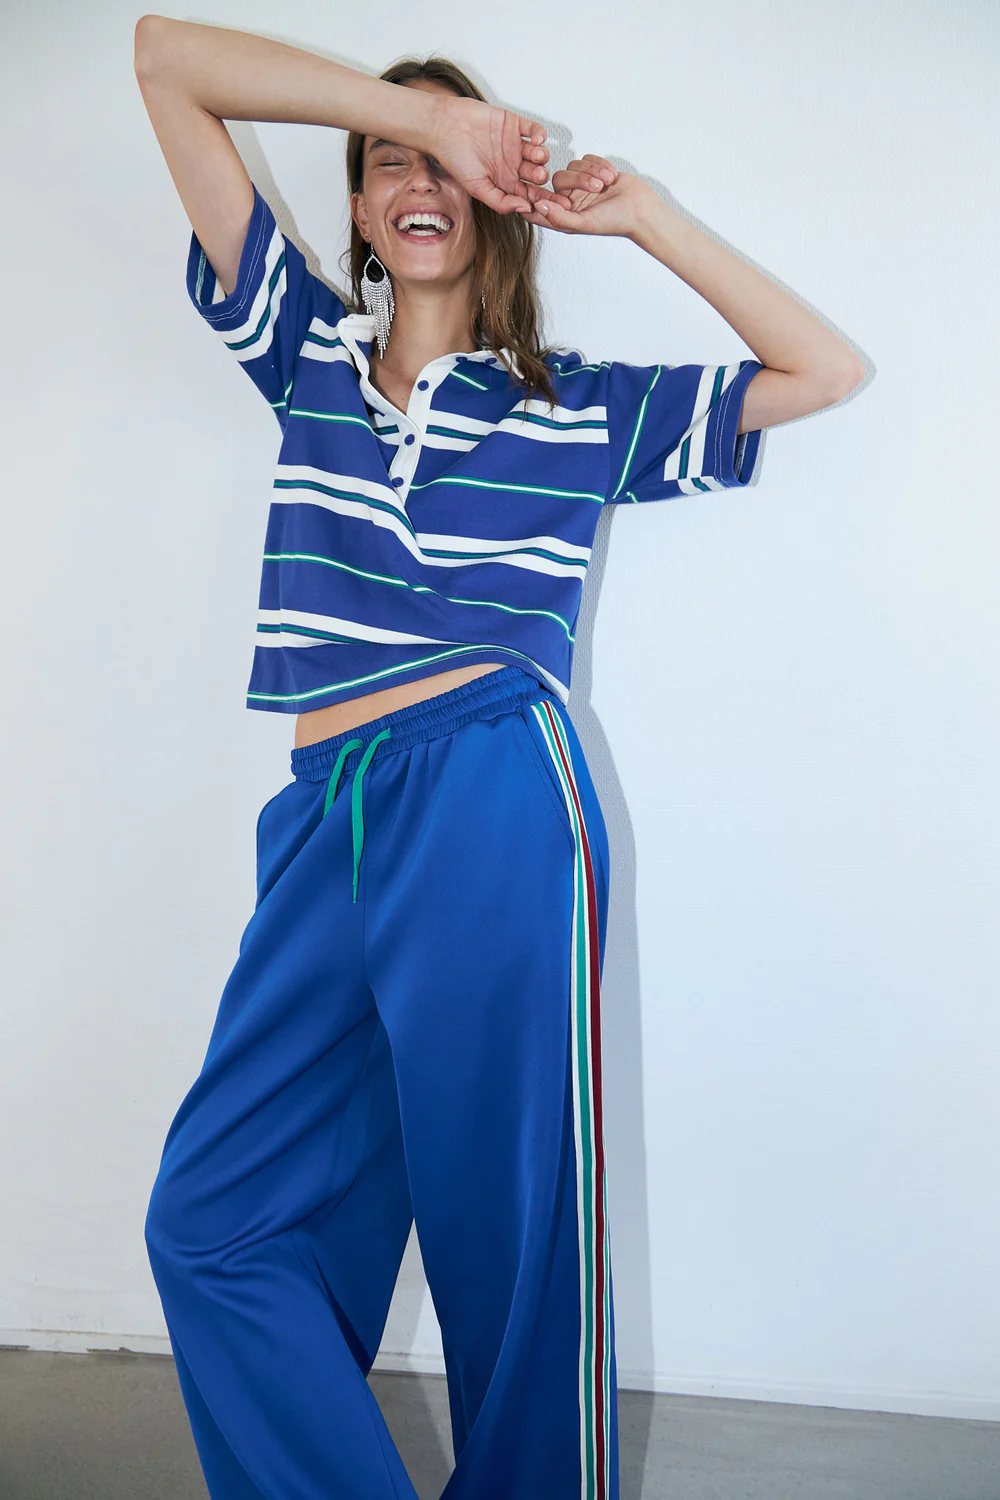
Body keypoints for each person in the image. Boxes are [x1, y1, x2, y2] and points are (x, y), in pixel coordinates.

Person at [133, 17, 865, 1500]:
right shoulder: (302, 356)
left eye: (446, 166)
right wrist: (429, 119)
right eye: (387, 164)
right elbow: (163, 60)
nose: (418, 185)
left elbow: (825, 366)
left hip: (492, 790)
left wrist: (643, 213)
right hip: (323, 817)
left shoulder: (578, 406)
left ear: (494, 207)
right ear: (358, 205)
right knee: (211, 1222)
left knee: (512, 1232)